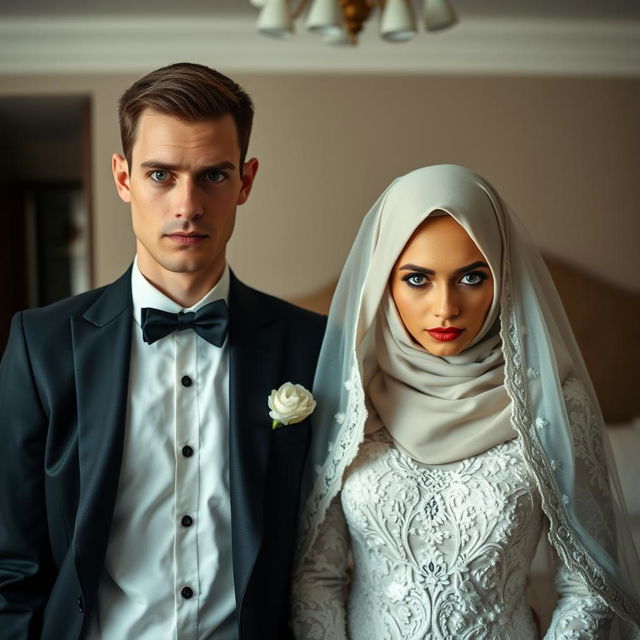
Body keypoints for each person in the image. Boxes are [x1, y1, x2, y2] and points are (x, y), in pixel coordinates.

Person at [0, 62, 325, 640]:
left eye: (214, 176)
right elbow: (11, 564)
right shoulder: (40, 346)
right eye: (160, 175)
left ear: (246, 181)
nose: (188, 204)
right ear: (123, 177)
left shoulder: (312, 346)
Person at [291, 165, 640, 638]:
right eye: (417, 279)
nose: (446, 307)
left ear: (503, 277)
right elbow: (316, 578)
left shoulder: (554, 403)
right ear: (384, 281)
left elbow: (589, 586)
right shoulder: (351, 396)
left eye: (472, 277)